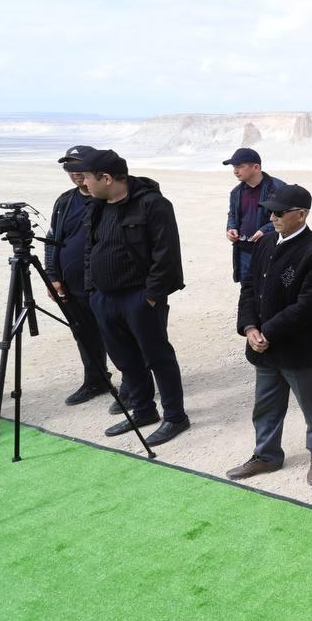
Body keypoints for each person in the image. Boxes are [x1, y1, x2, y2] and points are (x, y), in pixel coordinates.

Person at [78, 149, 190, 446]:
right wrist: (92, 290)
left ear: (106, 178)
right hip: (105, 298)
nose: (84, 183)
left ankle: (175, 417)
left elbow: (166, 254)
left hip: (139, 299)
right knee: (125, 359)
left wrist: (150, 297)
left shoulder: (153, 204)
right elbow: (91, 248)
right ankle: (143, 411)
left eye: (87, 177)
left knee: (158, 358)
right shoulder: (98, 206)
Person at [227, 184, 312, 486]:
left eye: (279, 212)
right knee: (265, 406)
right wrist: (249, 327)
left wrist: (267, 332)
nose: (272, 217)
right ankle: (266, 455)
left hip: (297, 349)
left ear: (301, 214)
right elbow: (249, 287)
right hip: (264, 347)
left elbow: (307, 306)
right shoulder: (265, 242)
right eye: (270, 211)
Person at [44, 145, 113, 406]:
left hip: (105, 284)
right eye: (69, 168)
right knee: (84, 335)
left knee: (117, 335)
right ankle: (96, 380)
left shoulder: (107, 198)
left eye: (80, 166)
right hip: (72, 285)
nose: (75, 173)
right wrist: (52, 275)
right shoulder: (64, 201)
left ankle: (135, 386)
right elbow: (53, 239)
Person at [223, 147, 284, 284]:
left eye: (240, 166)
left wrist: (265, 230)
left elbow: (287, 218)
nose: (235, 171)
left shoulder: (278, 188)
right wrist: (231, 228)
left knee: (269, 290)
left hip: (269, 251)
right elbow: (232, 214)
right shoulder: (236, 192)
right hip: (243, 252)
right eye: (234, 167)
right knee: (247, 291)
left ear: (256, 167)